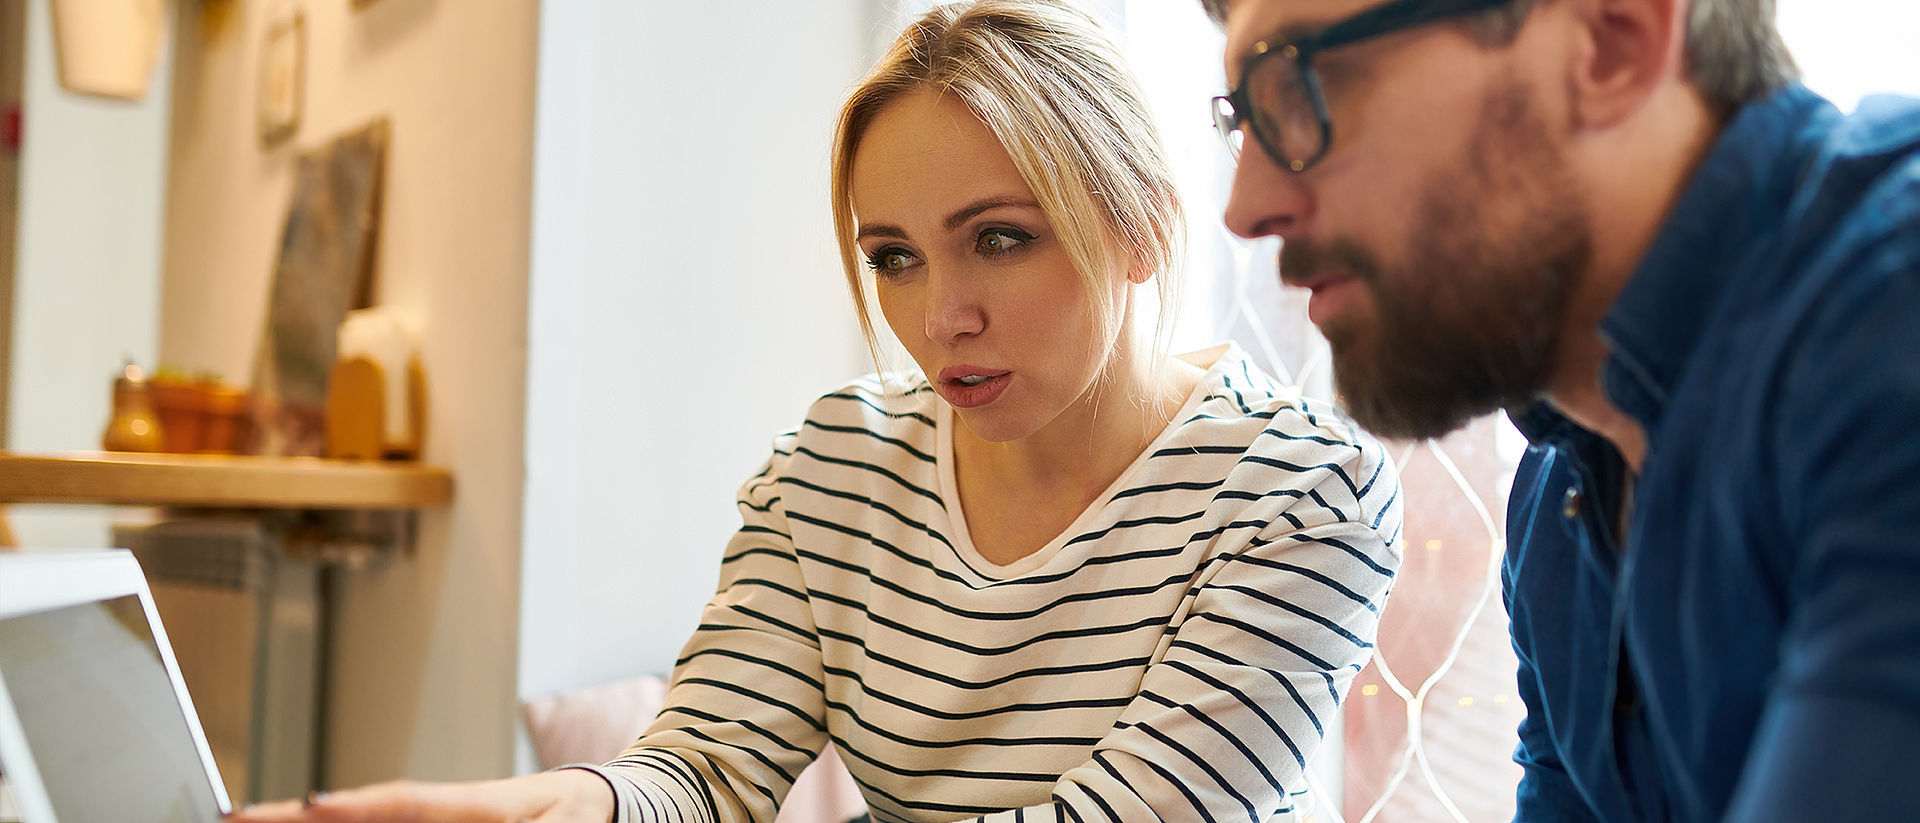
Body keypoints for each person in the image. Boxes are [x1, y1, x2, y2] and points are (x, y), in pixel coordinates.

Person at [231, 2, 1403, 822]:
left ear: (1145, 223)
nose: (941, 315)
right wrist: (570, 800)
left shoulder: (1299, 494)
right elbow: (703, 772)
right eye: (893, 258)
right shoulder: (839, 465)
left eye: (1000, 239)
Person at [1203, 0, 1920, 820]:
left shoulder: (1893, 312)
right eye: (1246, 121)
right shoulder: (1559, 494)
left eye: (1304, 88)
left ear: (1611, 45)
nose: (1245, 207)